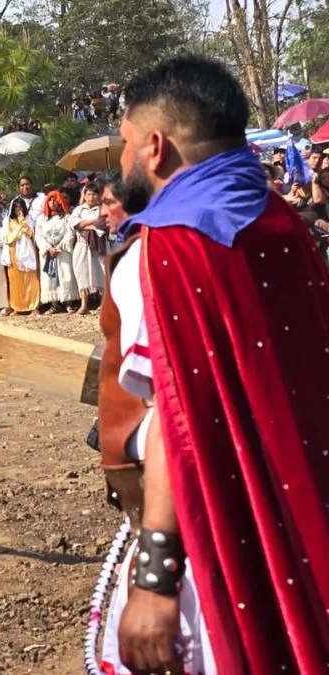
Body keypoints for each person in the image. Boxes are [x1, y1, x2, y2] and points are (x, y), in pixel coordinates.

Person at [96, 55, 329, 675]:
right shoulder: (283, 221)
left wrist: (155, 580)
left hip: (216, 533)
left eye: (125, 144)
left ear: (154, 148)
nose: (122, 161)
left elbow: (175, 421)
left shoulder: (163, 250)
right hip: (307, 512)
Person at [34, 191, 79, 313]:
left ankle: (68, 303)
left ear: (60, 201)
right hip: (49, 252)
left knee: (66, 274)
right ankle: (54, 304)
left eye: (55, 200)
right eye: (50, 200)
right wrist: (48, 248)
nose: (52, 203)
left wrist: (59, 246)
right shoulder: (41, 219)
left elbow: (70, 234)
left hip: (62, 251)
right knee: (50, 277)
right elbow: (38, 236)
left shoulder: (66, 217)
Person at [68, 183, 108, 314]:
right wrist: (94, 222)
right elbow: (75, 224)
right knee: (82, 274)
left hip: (99, 244)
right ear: (84, 195)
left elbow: (103, 224)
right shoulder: (78, 210)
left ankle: (103, 303)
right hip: (82, 244)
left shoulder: (102, 209)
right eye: (89, 194)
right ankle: (84, 304)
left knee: (101, 272)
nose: (91, 197)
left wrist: (85, 224)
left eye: (94, 194)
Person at [2, 198, 40, 314]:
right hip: (13, 252)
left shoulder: (29, 219)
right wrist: (18, 229)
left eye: (20, 207)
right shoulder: (7, 221)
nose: (19, 209)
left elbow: (30, 234)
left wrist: (23, 223)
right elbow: (6, 238)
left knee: (31, 279)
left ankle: (34, 306)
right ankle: (17, 307)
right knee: (15, 281)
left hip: (28, 252)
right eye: (16, 207)